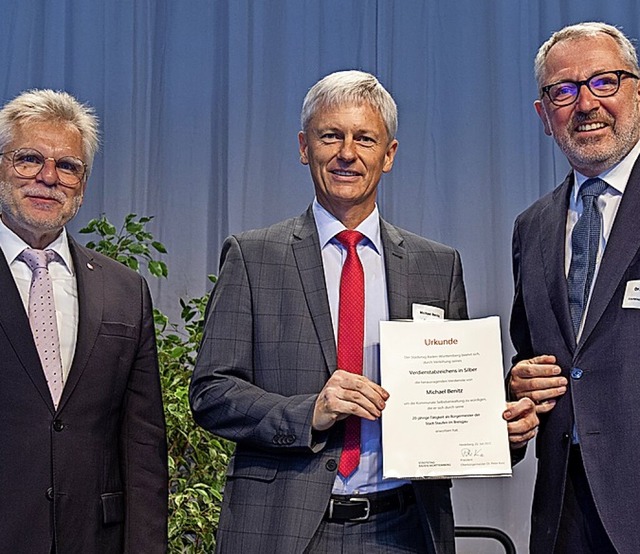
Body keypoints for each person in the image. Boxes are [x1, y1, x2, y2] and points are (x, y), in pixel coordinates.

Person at [191, 70, 537, 554]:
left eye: (365, 138)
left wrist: (503, 432)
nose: (347, 153)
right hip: (283, 531)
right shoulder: (253, 256)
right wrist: (309, 411)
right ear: (303, 146)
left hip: (404, 529)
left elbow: (452, 406)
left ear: (389, 154)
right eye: (330, 135)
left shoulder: (437, 265)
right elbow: (211, 393)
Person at [0, 89, 168, 553]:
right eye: (28, 159)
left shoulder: (125, 290)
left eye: (68, 166)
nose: (47, 178)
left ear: (84, 181)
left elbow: (143, 447)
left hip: (95, 540)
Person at [508, 21, 640, 553]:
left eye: (604, 82)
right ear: (544, 116)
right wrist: (516, 387)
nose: (585, 103)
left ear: (637, 92)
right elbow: (533, 356)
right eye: (563, 90)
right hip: (564, 510)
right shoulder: (532, 227)